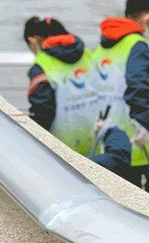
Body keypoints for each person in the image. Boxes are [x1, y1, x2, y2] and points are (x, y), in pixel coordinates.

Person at [93, 0, 149, 200]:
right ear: (147, 18)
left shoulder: (103, 48)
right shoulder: (136, 45)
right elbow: (139, 85)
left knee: (125, 204)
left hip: (115, 142)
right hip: (145, 141)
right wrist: (143, 123)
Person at [24, 16, 99, 155]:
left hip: (61, 152)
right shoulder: (87, 54)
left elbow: (43, 112)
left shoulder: (41, 66)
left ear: (34, 40)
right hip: (94, 144)